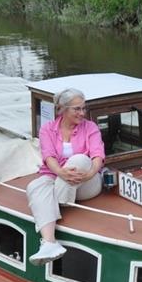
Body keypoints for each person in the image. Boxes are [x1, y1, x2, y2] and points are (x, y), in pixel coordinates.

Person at [26, 88, 105, 266]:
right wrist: (61, 173)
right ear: (62, 109)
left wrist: (91, 173)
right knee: (35, 186)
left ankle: (57, 200)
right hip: (57, 178)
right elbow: (48, 157)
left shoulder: (90, 127)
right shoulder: (47, 129)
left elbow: (97, 155)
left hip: (88, 183)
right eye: (76, 109)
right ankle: (49, 243)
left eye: (83, 108)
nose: (82, 113)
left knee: (79, 159)